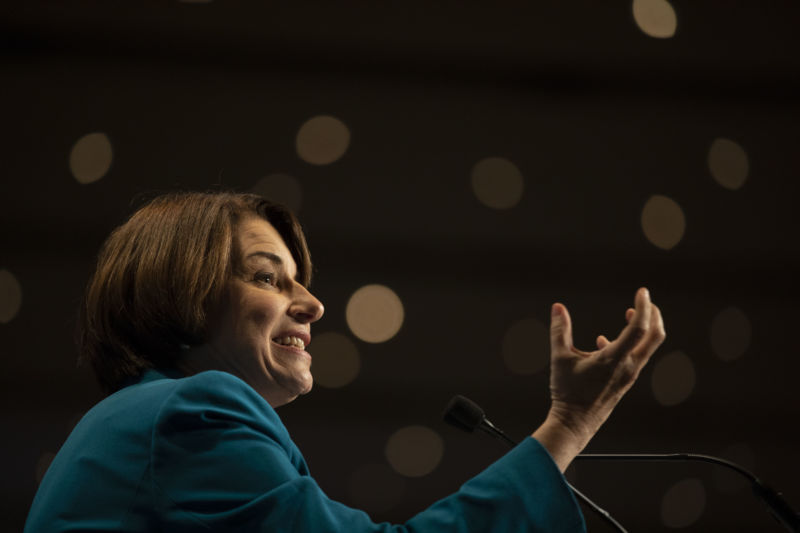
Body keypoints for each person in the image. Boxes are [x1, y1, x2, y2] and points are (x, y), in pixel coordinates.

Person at [24, 191, 665, 532]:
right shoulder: (195, 410)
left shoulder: (145, 419)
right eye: (268, 278)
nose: (313, 304)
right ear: (182, 290)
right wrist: (570, 424)